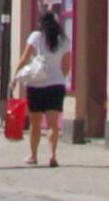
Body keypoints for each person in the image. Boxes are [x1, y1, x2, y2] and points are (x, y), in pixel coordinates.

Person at [15, 9, 71, 166]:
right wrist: (59, 78)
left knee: (35, 124)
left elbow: (24, 58)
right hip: (56, 85)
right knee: (53, 124)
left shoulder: (36, 36)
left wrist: (15, 77)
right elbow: (67, 66)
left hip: (36, 85)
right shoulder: (63, 40)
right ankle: (53, 155)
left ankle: (33, 155)